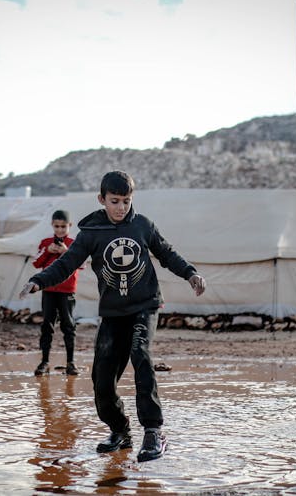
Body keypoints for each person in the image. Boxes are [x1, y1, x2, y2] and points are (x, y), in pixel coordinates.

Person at [19, 170, 206, 462]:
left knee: (141, 354)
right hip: (112, 314)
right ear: (102, 199)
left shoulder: (143, 225)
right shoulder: (91, 233)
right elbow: (67, 262)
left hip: (145, 306)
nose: (121, 207)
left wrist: (190, 273)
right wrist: (39, 280)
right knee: (101, 379)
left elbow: (166, 253)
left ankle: (154, 432)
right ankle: (120, 430)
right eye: (115, 201)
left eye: (126, 201)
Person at [31, 210, 80, 377]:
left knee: (69, 326)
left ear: (69, 226)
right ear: (52, 225)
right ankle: (44, 361)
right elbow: (36, 263)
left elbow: (81, 265)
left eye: (63, 226)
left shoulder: (74, 243)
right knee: (47, 326)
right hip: (49, 291)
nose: (59, 230)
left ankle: (71, 362)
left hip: (67, 291)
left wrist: (65, 252)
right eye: (57, 226)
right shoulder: (45, 243)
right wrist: (48, 251)